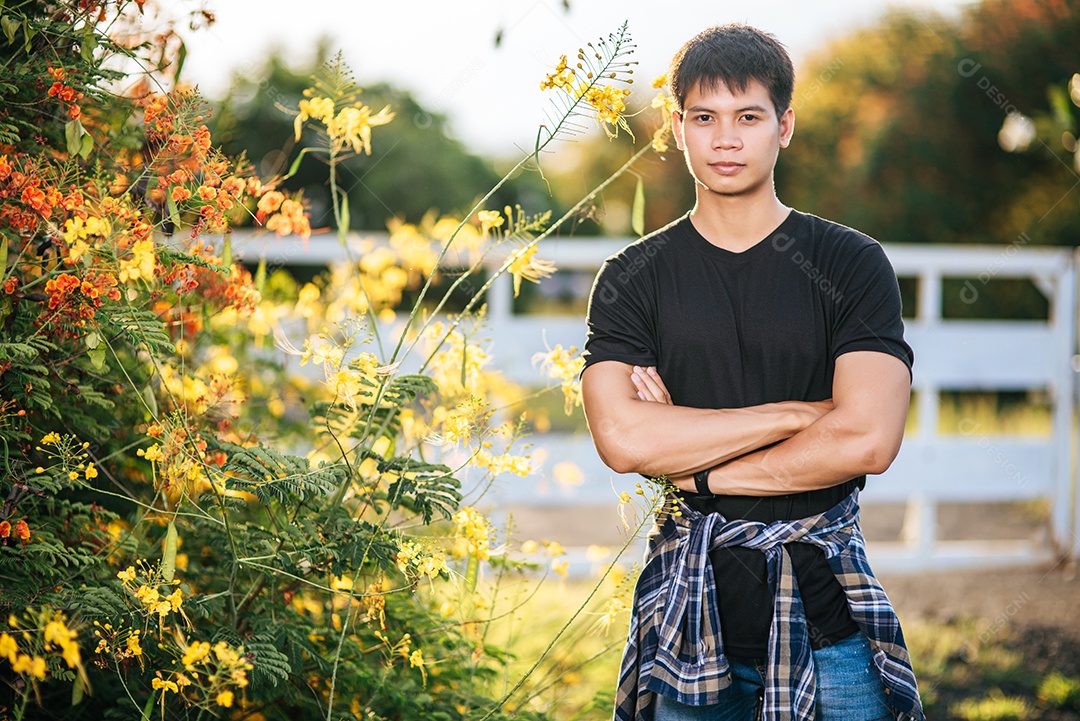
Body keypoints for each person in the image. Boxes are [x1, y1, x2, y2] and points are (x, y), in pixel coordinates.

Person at [580, 24, 924, 721]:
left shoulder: (850, 263)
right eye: (704, 118)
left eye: (748, 117)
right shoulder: (632, 277)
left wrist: (701, 469)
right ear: (678, 129)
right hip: (690, 618)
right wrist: (799, 414)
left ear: (784, 126)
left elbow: (867, 441)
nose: (726, 139)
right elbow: (622, 438)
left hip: (827, 615)